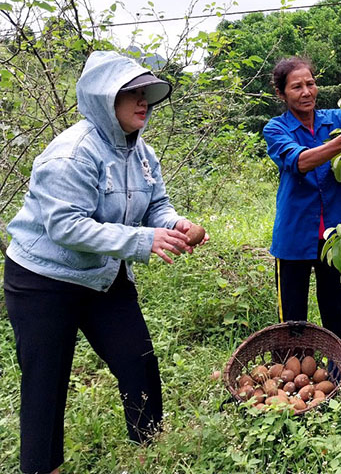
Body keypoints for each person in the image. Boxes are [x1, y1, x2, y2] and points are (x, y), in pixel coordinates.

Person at [3, 50, 207, 474]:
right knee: (46, 382)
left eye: (146, 94)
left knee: (139, 361)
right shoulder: (72, 154)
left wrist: (176, 223)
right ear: (102, 100)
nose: (143, 102)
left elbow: (158, 205)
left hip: (102, 274)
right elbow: (65, 227)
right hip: (43, 279)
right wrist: (141, 240)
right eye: (130, 94)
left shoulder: (142, 153)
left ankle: (153, 450)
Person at [262, 56, 341, 350]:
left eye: (310, 84)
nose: (306, 92)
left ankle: (338, 385)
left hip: (336, 241)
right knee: (291, 326)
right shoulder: (276, 129)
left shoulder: (336, 120)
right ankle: (291, 390)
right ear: (281, 94)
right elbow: (300, 161)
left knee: (336, 318)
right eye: (296, 87)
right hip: (294, 239)